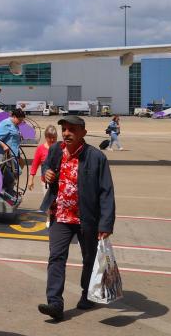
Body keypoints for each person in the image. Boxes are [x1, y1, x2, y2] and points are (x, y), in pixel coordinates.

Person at [37, 114, 116, 321]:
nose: (66, 133)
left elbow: (106, 192)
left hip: (86, 218)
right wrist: (46, 173)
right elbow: (46, 166)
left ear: (83, 133)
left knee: (89, 258)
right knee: (56, 257)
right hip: (60, 214)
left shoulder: (96, 157)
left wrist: (105, 223)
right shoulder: (56, 150)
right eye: (64, 129)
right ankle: (55, 303)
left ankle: (86, 294)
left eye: (72, 129)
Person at [0, 109, 26, 194]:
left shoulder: (15, 124)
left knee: (18, 169)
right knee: (14, 172)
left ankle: (8, 188)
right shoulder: (6, 124)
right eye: (19, 120)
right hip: (5, 155)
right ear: (14, 117)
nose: (20, 122)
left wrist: (19, 135)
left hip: (14, 154)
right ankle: (4, 189)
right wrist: (4, 146)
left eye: (22, 120)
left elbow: (13, 135)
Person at [28, 124, 58, 194]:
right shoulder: (40, 149)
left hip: (59, 182)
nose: (52, 140)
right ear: (45, 137)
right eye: (50, 138)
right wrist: (30, 179)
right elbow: (34, 165)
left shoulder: (61, 147)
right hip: (46, 183)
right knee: (48, 204)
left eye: (54, 137)